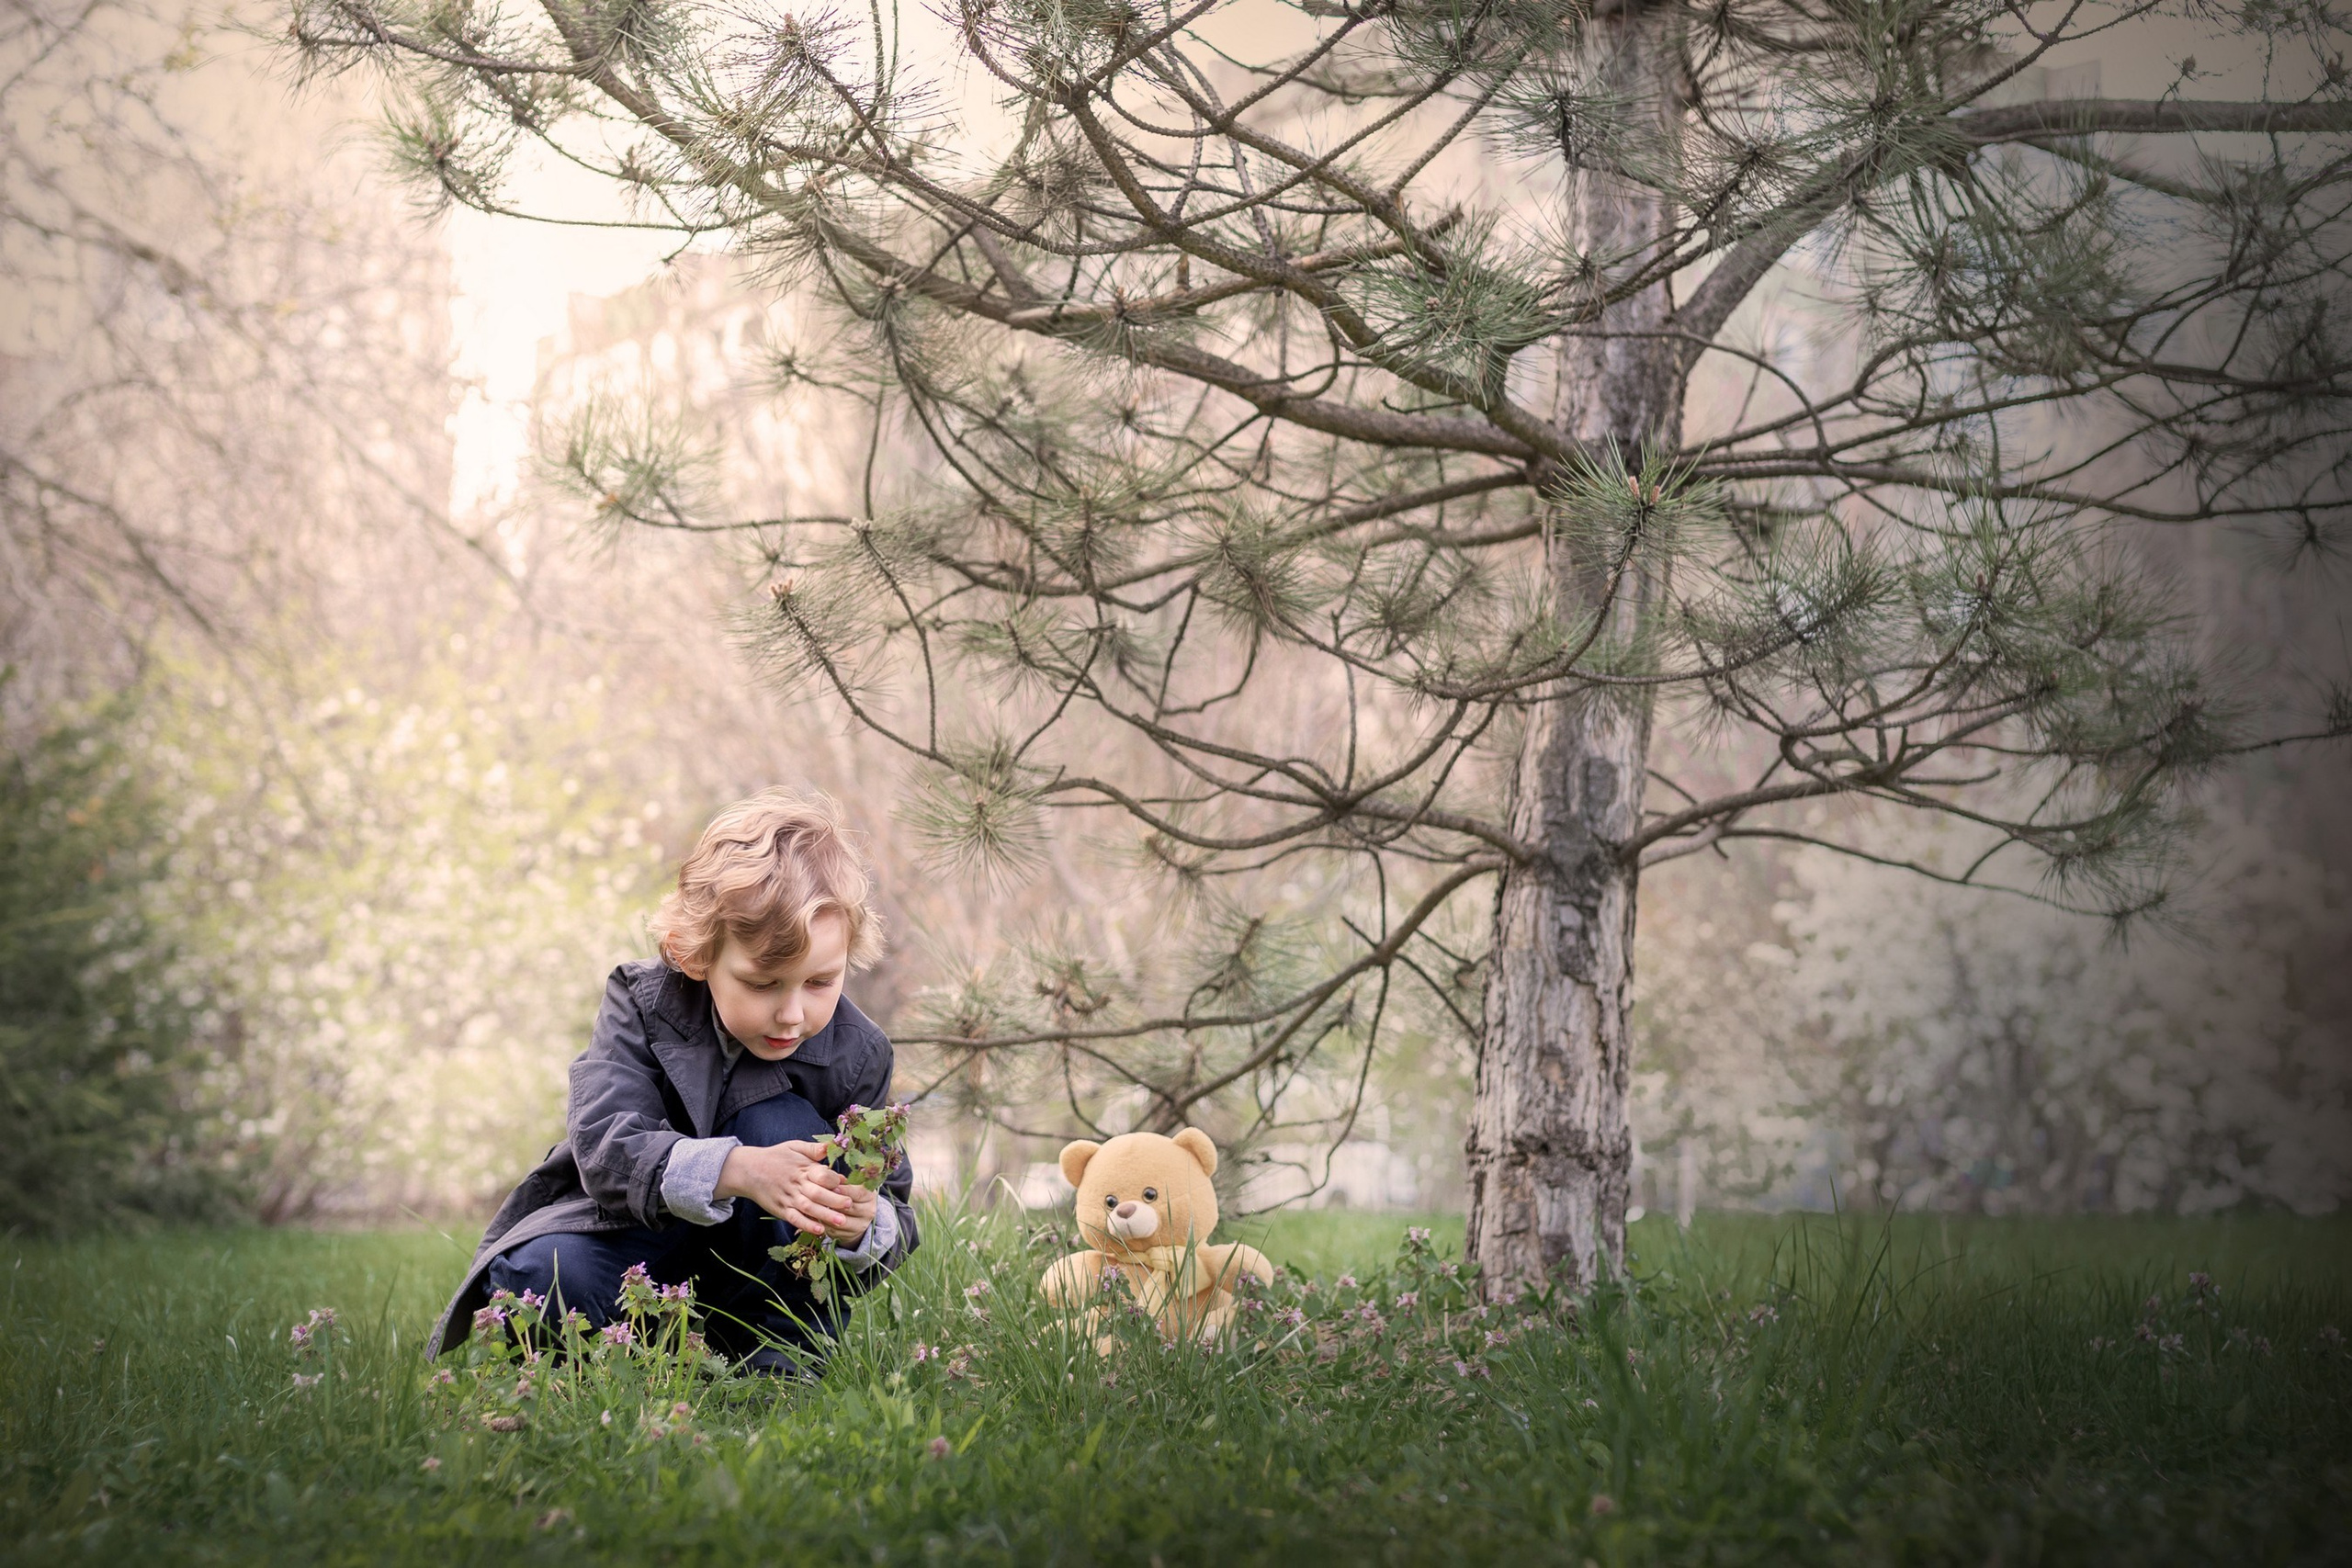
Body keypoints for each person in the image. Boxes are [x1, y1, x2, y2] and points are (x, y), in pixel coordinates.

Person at [427, 790, 917, 1372]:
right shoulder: (643, 1002)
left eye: (819, 982)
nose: (792, 1014)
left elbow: (892, 1203)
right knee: (539, 1277)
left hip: (763, 1277)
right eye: (763, 984)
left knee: (778, 1125)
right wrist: (737, 1171)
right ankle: (645, 1347)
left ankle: (775, 1359)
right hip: (634, 1241)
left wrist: (864, 1226)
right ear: (697, 954)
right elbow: (606, 1142)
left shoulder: (858, 1054)